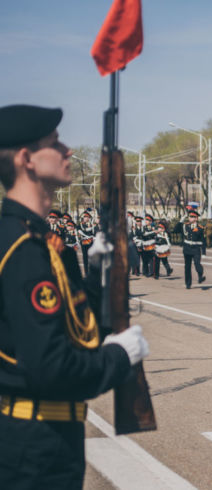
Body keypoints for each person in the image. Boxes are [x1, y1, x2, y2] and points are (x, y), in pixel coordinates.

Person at [0, 104, 149, 488]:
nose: (68, 150)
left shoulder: (41, 241)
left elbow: (72, 328)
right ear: (26, 159)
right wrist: (118, 357)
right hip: (32, 447)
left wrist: (99, 279)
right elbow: (53, 368)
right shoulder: (23, 249)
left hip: (46, 437)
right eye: (56, 142)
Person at [183, 209, 206, 288]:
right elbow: (175, 230)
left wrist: (203, 252)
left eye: (193, 217)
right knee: (187, 267)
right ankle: (188, 283)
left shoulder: (200, 228)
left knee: (197, 264)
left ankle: (200, 276)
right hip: (187, 249)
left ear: (196, 218)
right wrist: (180, 220)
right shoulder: (185, 226)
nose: (191, 218)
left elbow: (203, 240)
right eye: (190, 216)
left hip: (196, 249)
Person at [78, 210, 96, 276]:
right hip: (84, 243)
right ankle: (86, 272)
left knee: (91, 258)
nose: (86, 218)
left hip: (91, 243)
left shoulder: (92, 225)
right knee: (85, 258)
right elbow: (79, 232)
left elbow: (94, 233)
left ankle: (91, 272)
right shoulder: (80, 225)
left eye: (87, 217)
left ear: (89, 218)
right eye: (85, 217)